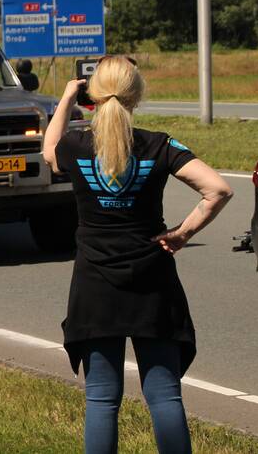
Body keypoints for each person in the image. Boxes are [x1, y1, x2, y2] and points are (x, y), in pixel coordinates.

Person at [42, 55, 233, 454]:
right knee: (164, 396)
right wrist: (183, 233)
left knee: (101, 398)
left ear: (92, 98)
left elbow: (49, 151)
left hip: (95, 285)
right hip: (152, 281)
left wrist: (66, 97)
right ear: (138, 95)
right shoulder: (158, 144)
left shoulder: (77, 145)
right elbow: (218, 189)